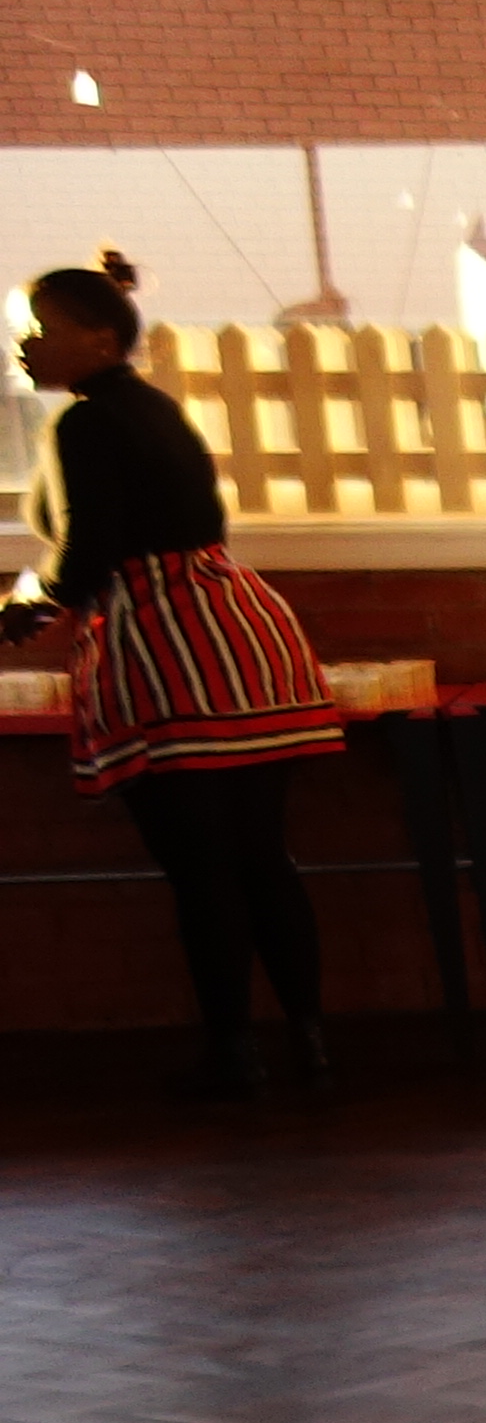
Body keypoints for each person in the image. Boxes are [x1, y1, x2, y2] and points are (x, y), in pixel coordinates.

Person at [8, 252, 342, 1099]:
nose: (25, 344)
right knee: (264, 857)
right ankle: (312, 1044)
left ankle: (235, 1054)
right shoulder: (158, 408)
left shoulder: (82, 424)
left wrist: (27, 605)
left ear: (97, 335)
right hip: (244, 637)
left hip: (168, 652)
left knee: (201, 870)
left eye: (41, 326)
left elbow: (88, 550)